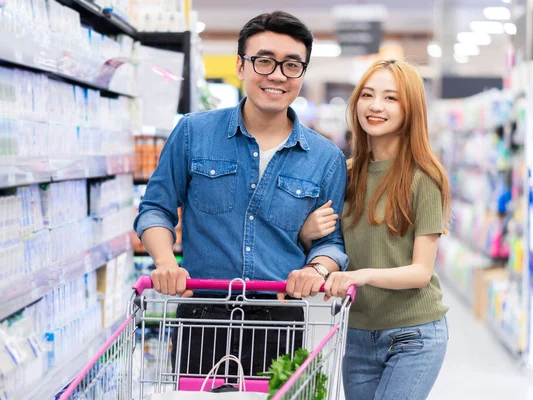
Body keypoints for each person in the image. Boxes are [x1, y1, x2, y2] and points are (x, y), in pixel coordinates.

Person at [133, 11, 347, 376]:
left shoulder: (326, 159)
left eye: (292, 65)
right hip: (202, 318)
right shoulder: (192, 133)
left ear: (302, 73)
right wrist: (166, 263)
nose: (277, 75)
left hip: (280, 321)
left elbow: (333, 243)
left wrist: (315, 268)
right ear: (240, 66)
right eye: (264, 61)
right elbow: (155, 208)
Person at [299, 59, 451, 400]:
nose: (376, 106)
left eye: (391, 98)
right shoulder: (344, 171)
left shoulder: (424, 177)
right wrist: (308, 232)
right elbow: (328, 241)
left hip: (413, 334)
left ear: (410, 109)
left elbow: (420, 273)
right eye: (367, 95)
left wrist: (359, 276)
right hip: (356, 332)